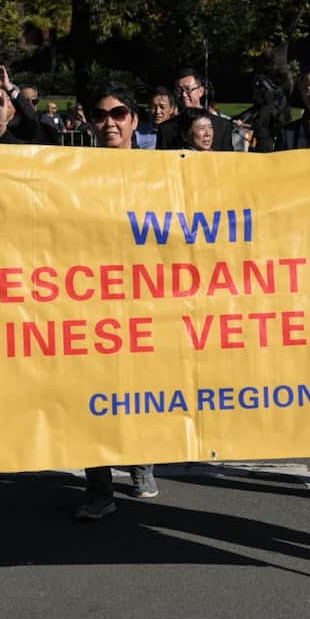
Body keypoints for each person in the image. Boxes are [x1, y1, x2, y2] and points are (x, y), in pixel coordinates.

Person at [75, 82, 161, 519]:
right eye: (100, 115)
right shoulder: (74, 171)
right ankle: (99, 488)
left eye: (119, 114)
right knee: (91, 394)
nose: (109, 122)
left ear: (134, 121)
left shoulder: (158, 172)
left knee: (140, 391)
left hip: (145, 300)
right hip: (91, 299)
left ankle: (141, 463)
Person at [155, 68, 234, 151]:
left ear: (201, 91)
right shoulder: (166, 129)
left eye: (188, 89)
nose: (183, 94)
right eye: (179, 90)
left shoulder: (222, 126)